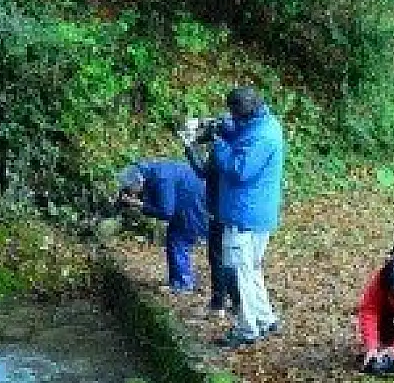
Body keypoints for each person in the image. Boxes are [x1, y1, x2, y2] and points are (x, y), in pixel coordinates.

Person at [205, 86, 285, 348]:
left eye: (234, 114)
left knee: (239, 272)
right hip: (256, 212)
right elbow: (243, 137)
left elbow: (240, 169)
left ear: (243, 113)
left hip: (244, 215)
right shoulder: (264, 123)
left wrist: (219, 146)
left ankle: (247, 328)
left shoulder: (262, 136)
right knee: (251, 268)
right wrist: (227, 129)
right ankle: (265, 318)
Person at [117, 159, 208, 293]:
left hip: (193, 207)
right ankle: (179, 281)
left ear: (138, 181)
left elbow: (166, 212)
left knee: (178, 240)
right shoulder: (150, 171)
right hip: (192, 201)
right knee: (175, 239)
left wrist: (139, 205)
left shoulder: (162, 179)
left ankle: (183, 284)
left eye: (130, 187)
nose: (130, 191)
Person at [181, 119, 239, 315]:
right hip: (236, 210)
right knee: (234, 257)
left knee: (218, 257)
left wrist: (189, 145)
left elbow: (202, 171)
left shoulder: (220, 150)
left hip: (219, 210)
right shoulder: (241, 144)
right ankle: (236, 302)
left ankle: (219, 303)